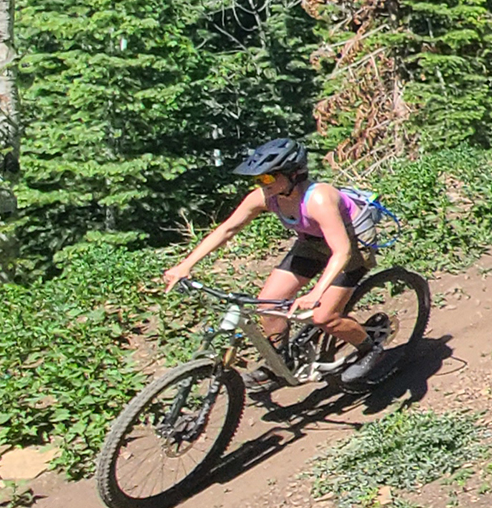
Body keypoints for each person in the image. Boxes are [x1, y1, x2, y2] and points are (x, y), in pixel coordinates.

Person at [163, 138, 387, 391]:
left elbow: (342, 251)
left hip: (352, 244)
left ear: (294, 175)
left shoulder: (319, 199)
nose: (261, 184)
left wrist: (316, 293)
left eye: (267, 178)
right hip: (312, 242)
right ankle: (280, 363)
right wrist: (186, 265)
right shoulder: (266, 197)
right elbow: (228, 229)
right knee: (267, 304)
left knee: (325, 316)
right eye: (257, 179)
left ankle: (371, 348)